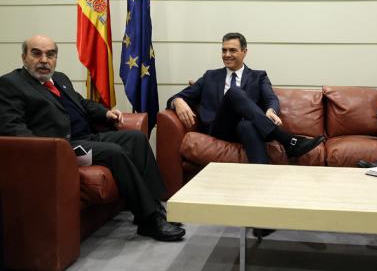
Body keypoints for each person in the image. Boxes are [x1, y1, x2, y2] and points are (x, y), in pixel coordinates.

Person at [0, 35, 185, 242]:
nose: (44, 60)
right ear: (24, 57)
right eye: (37, 53)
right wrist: (48, 151)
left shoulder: (59, 78)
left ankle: (157, 206)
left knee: (136, 139)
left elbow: (81, 103)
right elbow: (12, 128)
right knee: (114, 153)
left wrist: (105, 113)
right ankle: (148, 220)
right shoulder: (10, 84)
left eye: (50, 54)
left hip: (87, 136)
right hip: (63, 147)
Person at [167, 32, 325, 165]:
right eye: (224, 50)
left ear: (244, 52)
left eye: (232, 50)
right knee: (234, 93)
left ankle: (262, 182)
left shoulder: (258, 76)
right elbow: (177, 97)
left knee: (246, 125)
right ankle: (286, 139)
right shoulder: (210, 76)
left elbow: (271, 98)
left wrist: (271, 110)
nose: (227, 55)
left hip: (246, 128)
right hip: (219, 128)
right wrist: (177, 101)